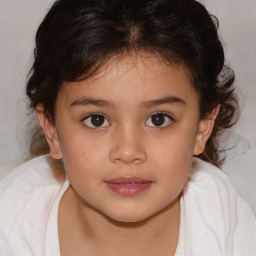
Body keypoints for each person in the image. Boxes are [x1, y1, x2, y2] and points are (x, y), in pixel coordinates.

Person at [0, 0, 255, 255]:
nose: (128, 151)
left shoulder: (229, 229)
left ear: (202, 127)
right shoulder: (13, 224)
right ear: (52, 130)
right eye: (96, 120)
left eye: (158, 119)